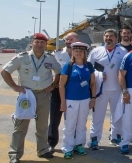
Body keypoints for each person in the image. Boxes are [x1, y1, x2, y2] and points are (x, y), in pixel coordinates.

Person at [2, 33, 62, 162]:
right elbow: (5, 71)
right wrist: (14, 86)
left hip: (44, 94)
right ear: (32, 43)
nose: (39, 44)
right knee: (21, 125)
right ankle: (15, 154)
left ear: (46, 44)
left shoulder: (50, 58)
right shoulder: (22, 57)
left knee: (42, 126)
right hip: (27, 95)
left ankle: (43, 150)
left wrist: (53, 85)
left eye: (42, 42)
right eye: (37, 42)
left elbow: (59, 72)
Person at [87, 29, 128, 149]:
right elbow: (89, 68)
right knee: (97, 116)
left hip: (117, 89)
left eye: (111, 36)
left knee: (117, 115)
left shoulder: (123, 51)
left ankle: (115, 136)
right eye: (106, 36)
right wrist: (98, 74)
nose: (108, 38)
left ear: (116, 39)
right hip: (100, 89)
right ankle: (94, 139)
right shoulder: (96, 51)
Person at [59, 42, 96, 159]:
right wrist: (63, 102)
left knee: (81, 124)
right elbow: (61, 85)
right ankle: (67, 147)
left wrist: (93, 98)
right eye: (76, 51)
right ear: (73, 52)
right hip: (71, 100)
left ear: (85, 53)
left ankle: (79, 145)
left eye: (81, 51)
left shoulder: (89, 66)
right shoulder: (68, 66)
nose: (78, 53)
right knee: (70, 125)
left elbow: (93, 83)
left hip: (85, 99)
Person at [49, 32, 78, 153]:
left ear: (77, 40)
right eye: (66, 39)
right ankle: (51, 143)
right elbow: (48, 70)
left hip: (74, 91)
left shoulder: (82, 54)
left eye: (71, 39)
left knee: (74, 120)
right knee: (54, 119)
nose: (68, 41)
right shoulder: (56, 54)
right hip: (57, 90)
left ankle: (75, 143)